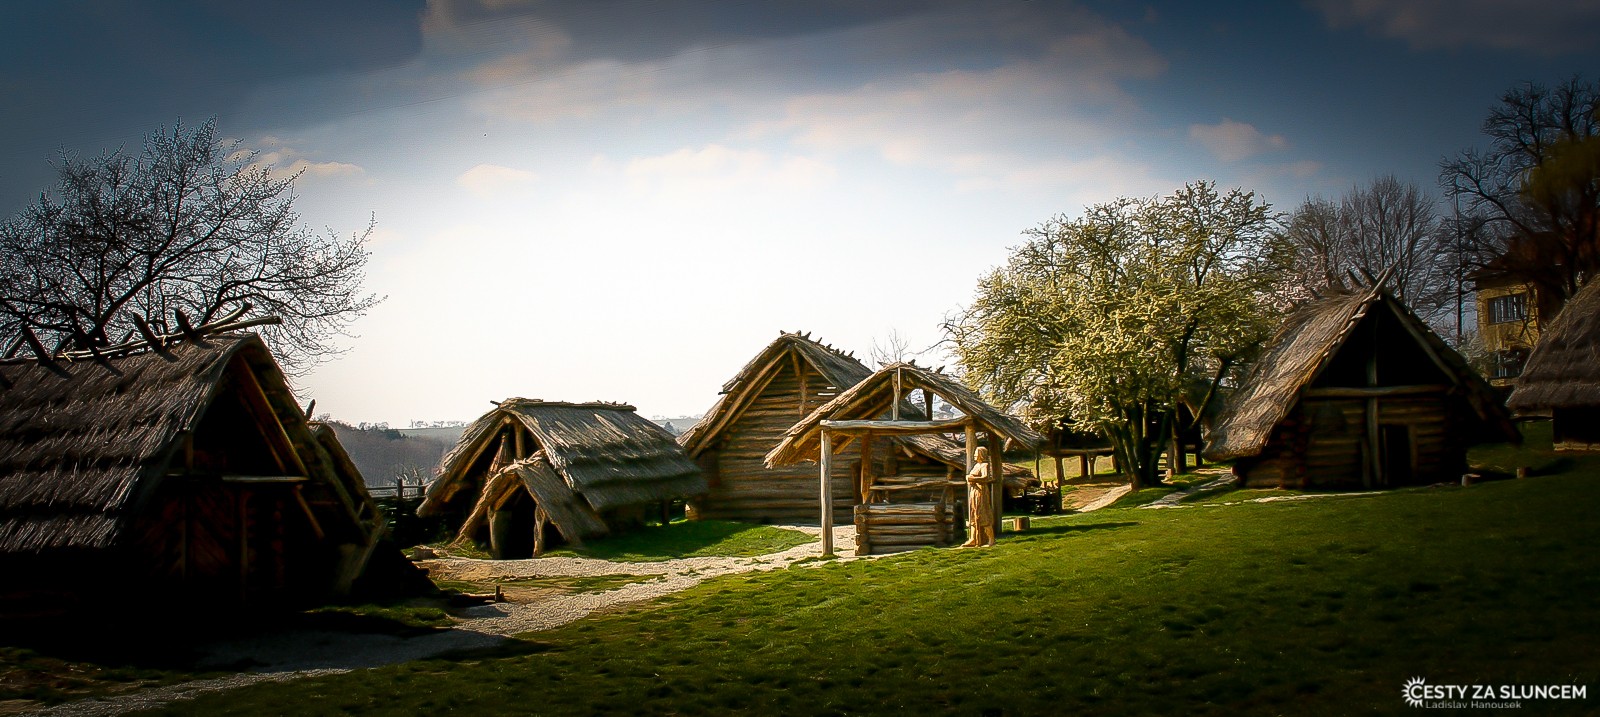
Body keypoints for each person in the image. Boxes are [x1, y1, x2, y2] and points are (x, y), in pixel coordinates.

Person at [961, 445, 996, 547]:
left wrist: (972, 479)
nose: (974, 456)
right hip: (974, 492)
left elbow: (985, 477)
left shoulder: (984, 465)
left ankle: (991, 539)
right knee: (973, 515)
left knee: (983, 514)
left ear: (981, 454)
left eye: (976, 453)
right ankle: (973, 539)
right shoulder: (976, 466)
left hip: (981, 492)